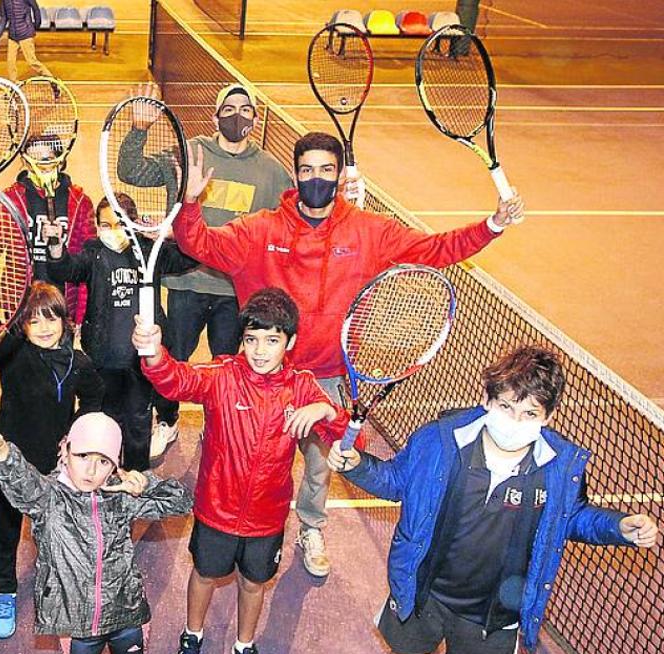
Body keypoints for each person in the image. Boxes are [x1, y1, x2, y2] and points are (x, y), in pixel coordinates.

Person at [174, 130, 527, 578]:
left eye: (325, 170)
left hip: (326, 376)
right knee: (249, 459)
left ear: (339, 176)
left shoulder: (368, 232)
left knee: (321, 464)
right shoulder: (260, 230)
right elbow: (197, 243)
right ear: (295, 175)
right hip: (266, 374)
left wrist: (491, 225)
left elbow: (434, 250)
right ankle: (235, 529)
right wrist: (189, 204)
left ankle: (312, 527)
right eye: (306, 171)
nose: (315, 179)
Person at [327, 346, 659, 654]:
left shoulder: (559, 465)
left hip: (497, 599)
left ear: (549, 417)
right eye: (505, 407)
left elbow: (571, 518)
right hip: (426, 584)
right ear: (486, 400)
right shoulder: (440, 439)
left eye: (530, 414)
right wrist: (358, 464)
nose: (514, 422)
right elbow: (396, 481)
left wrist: (618, 527)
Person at [136, 288, 347, 654]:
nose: (260, 350)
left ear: (290, 343)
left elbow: (340, 431)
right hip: (216, 511)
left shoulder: (302, 388)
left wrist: (326, 411)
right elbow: (175, 379)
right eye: (251, 340)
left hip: (266, 519)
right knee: (204, 574)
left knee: (254, 584)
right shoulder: (222, 375)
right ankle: (192, 635)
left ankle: (243, 645)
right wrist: (153, 353)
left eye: (272, 340)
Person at [0, 412, 194, 654]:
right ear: (65, 450)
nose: (92, 470)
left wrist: (145, 483)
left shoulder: (121, 496)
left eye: (103, 461)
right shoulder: (48, 499)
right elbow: (22, 483)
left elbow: (182, 502)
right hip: (77, 625)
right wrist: (1, 452)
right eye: (83, 457)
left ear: (115, 465)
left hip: (129, 615)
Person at [120, 82, 293, 461]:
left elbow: (301, 217)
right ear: (215, 116)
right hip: (186, 283)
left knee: (228, 368)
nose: (237, 115)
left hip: (236, 292)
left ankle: (218, 425)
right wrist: (139, 128)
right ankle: (167, 420)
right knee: (172, 359)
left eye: (245, 109)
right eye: (228, 108)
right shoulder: (189, 154)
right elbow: (130, 170)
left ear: (256, 118)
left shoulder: (273, 173)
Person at [0, 281, 103, 640]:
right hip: (10, 464)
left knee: (55, 531)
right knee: (6, 530)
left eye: (52, 318)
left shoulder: (77, 363)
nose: (45, 328)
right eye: (34, 321)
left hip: (54, 469)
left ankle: (59, 582)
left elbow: (95, 401)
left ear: (65, 322)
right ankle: (5, 591)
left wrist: (76, 439)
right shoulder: (11, 356)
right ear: (22, 326)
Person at [47, 193, 198, 471]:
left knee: (138, 421)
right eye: (106, 225)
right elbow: (65, 269)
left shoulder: (149, 251)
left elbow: (190, 257)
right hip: (103, 359)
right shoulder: (93, 252)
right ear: (98, 226)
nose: (113, 232)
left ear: (134, 223)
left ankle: (137, 475)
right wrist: (55, 247)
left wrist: (166, 236)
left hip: (139, 361)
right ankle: (110, 471)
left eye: (120, 224)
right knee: (106, 419)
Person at [2, 135, 95, 330]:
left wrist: (81, 315)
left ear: (60, 160)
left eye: (46, 158)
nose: (40, 165)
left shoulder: (80, 201)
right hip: (23, 302)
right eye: (32, 158)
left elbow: (88, 262)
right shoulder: (10, 198)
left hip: (62, 303)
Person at [0, 0, 53, 82]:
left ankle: (53, 81)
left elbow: (36, 9)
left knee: (32, 62)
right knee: (10, 62)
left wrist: (36, 26)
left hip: (26, 34)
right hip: (13, 36)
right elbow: (3, 19)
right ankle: (14, 86)